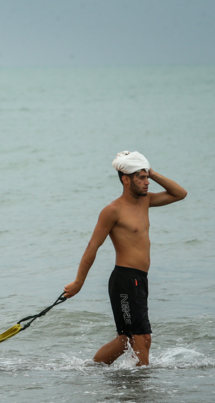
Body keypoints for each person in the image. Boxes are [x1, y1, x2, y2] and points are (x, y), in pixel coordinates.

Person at [63, 151, 187, 366]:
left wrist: (153, 172)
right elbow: (93, 246)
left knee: (126, 340)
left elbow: (180, 194)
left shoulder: (145, 201)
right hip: (126, 280)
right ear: (126, 180)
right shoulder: (113, 210)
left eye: (146, 177)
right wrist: (78, 283)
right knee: (142, 339)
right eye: (141, 178)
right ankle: (141, 393)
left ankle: (90, 371)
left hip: (140, 279)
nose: (146, 182)